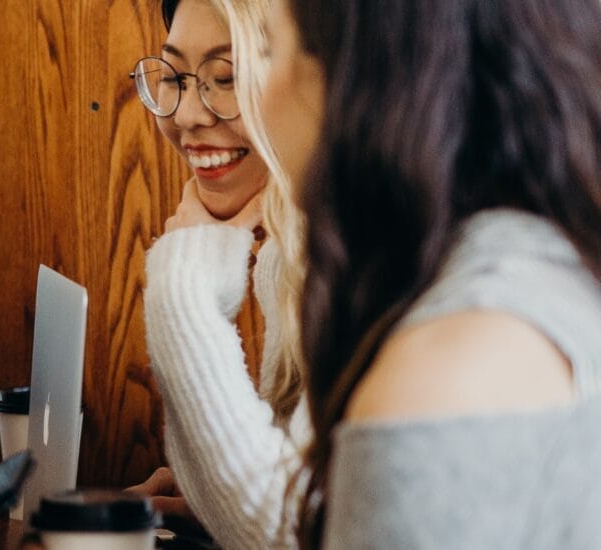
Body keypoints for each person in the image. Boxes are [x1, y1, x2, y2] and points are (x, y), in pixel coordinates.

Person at [260, 0, 601, 547]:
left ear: (355, 75)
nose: (262, 96)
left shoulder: (446, 373)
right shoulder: (551, 268)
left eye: (267, 47)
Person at [126, 0, 309, 547]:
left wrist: (185, 298)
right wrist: (212, 492)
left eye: (225, 77)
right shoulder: (291, 253)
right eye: (176, 76)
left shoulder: (381, 247)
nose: (184, 116)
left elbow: (292, 535)